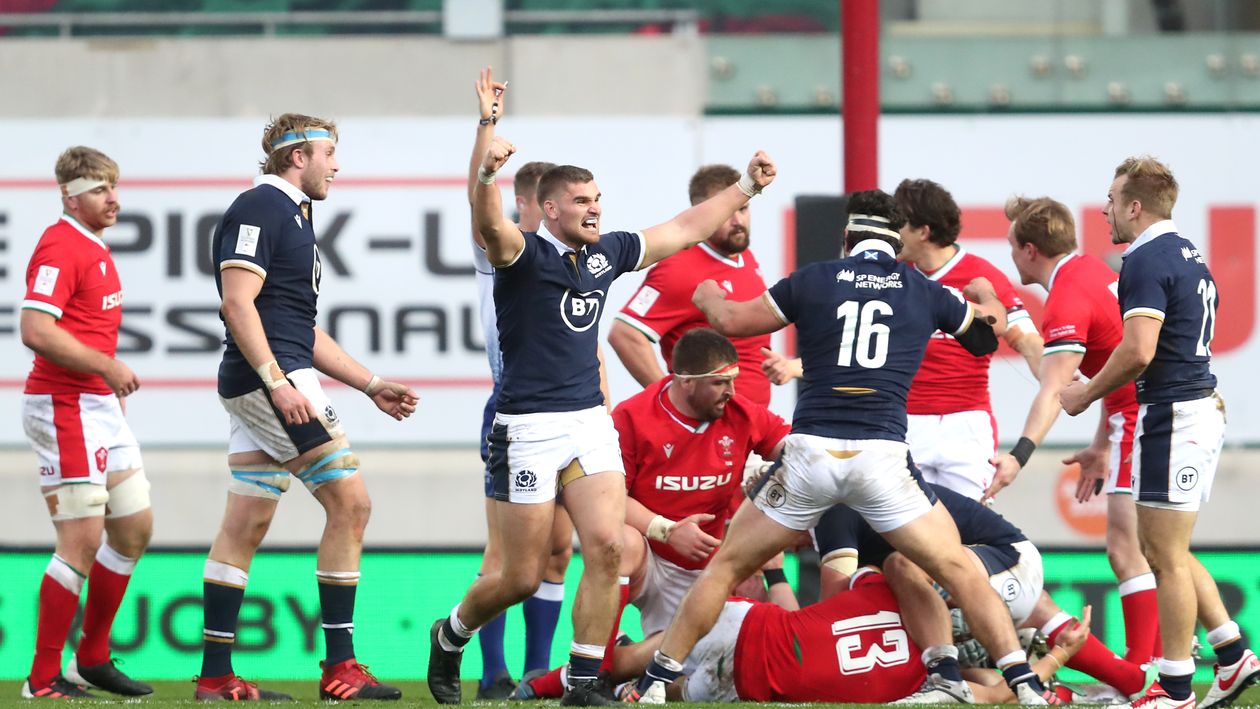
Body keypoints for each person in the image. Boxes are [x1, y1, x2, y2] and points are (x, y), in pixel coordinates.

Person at [630, 190, 1058, 705]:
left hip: (811, 455)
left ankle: (654, 682)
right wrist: (987, 297)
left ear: (847, 237)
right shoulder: (921, 289)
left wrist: (704, 297)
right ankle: (1025, 684)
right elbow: (987, 337)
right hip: (882, 459)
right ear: (897, 243)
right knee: (958, 568)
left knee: (725, 568)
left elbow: (731, 322)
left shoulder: (813, 279)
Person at [426, 132, 776, 706]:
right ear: (550, 209)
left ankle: (584, 682)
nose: (595, 209)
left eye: (597, 199)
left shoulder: (603, 255)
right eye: (582, 201)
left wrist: (746, 187)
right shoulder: (521, 255)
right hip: (527, 427)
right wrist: (486, 174)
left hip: (588, 421)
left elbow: (684, 227)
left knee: (609, 546)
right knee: (521, 575)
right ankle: (451, 633)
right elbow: (486, 222)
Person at [199, 114, 419, 702]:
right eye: (329, 153)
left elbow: (299, 328)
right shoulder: (260, 207)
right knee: (352, 504)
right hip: (272, 382)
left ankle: (216, 677)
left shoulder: (292, 213)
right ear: (298, 157)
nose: (336, 166)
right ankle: (340, 667)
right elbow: (237, 303)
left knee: (246, 523)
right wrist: (277, 382)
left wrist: (371, 383)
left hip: (268, 379)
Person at [1061, 157, 1258, 709]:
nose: (1105, 210)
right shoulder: (1187, 252)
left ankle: (1174, 688)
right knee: (1165, 547)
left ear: (1134, 206)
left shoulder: (1146, 259)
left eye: (1111, 199)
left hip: (1176, 414)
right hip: (1189, 408)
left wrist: (1085, 394)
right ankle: (1231, 653)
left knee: (1163, 557)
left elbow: (1139, 351)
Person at [512, 328, 790, 700]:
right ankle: (591, 677)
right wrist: (666, 530)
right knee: (621, 541)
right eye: (720, 382)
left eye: (733, 380)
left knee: (726, 643)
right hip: (650, 559)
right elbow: (609, 499)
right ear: (685, 380)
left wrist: (775, 477)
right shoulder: (633, 417)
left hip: (706, 570)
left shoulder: (741, 413)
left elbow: (795, 450)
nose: (731, 391)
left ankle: (561, 680)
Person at [985, 196, 1159, 665]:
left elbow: (1056, 389)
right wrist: (1101, 444)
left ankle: (1145, 671)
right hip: (1138, 414)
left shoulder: (1066, 296)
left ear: (1029, 250)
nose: (1011, 256)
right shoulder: (1091, 271)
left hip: (1139, 418)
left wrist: (1019, 455)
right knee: (1155, 549)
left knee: (1128, 550)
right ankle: (1173, 660)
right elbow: (1111, 369)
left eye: (1012, 246)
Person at [18, 146, 154, 699]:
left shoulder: (93, 245)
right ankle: (41, 678)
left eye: (113, 187)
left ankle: (90, 659)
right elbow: (35, 329)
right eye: (99, 190)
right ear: (69, 197)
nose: (113, 199)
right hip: (64, 406)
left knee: (134, 528)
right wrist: (106, 367)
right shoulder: (60, 245)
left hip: (98, 407)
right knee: (81, 540)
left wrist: (106, 383)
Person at [816, 482, 1149, 703]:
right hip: (1010, 571)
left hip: (1003, 564)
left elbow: (832, 612)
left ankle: (948, 674)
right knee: (979, 670)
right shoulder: (863, 487)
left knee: (899, 567)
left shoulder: (834, 509)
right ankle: (1115, 681)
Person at [466, 67, 573, 699]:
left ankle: (536, 671)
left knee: (558, 550)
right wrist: (487, 127)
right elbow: (478, 202)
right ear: (531, 204)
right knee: (508, 553)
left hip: (573, 411)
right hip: (515, 408)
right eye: (549, 204)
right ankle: (491, 673)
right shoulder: (501, 251)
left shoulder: (573, 260)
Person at [610, 570, 1092, 705]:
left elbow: (846, 583)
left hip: (746, 629)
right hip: (748, 686)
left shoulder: (886, 584)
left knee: (644, 661)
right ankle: (623, 680)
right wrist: (1057, 657)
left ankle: (599, 671)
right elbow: (995, 692)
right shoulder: (929, 685)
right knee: (675, 690)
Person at [894, 178, 1042, 499]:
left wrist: (1056, 379)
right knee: (901, 529)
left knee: (969, 525)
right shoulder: (891, 276)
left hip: (966, 426)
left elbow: (1026, 340)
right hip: (903, 423)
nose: (893, 232)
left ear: (923, 232)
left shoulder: (982, 277)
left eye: (899, 224)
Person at [609, 165, 773, 407]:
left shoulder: (744, 256)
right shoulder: (679, 267)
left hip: (751, 421)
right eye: (728, 211)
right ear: (704, 212)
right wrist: (670, 402)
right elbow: (624, 334)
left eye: (743, 208)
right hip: (709, 422)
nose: (738, 221)